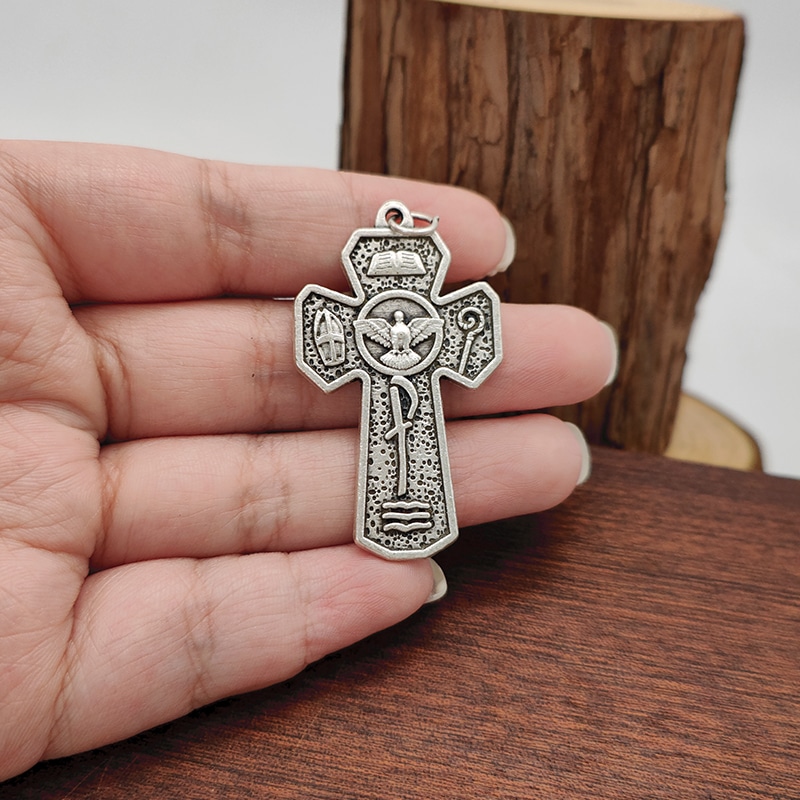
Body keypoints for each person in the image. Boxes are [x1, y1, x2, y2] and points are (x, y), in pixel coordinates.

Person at [0, 141, 617, 780]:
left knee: (421, 434)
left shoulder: (447, 323)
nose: (400, 334)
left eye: (409, 327)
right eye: (389, 326)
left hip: (412, 412)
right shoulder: (340, 321)